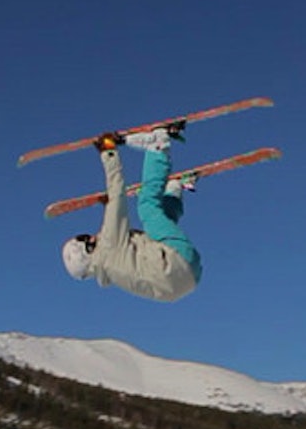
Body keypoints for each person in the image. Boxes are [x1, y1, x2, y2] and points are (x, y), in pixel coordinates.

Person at [60, 126, 202, 302]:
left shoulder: (113, 273)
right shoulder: (108, 246)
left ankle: (174, 188)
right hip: (175, 259)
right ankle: (158, 147)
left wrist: (108, 209)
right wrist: (108, 153)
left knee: (156, 227)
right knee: (147, 206)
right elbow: (117, 194)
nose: (92, 236)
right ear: (86, 250)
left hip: (188, 278)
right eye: (84, 237)